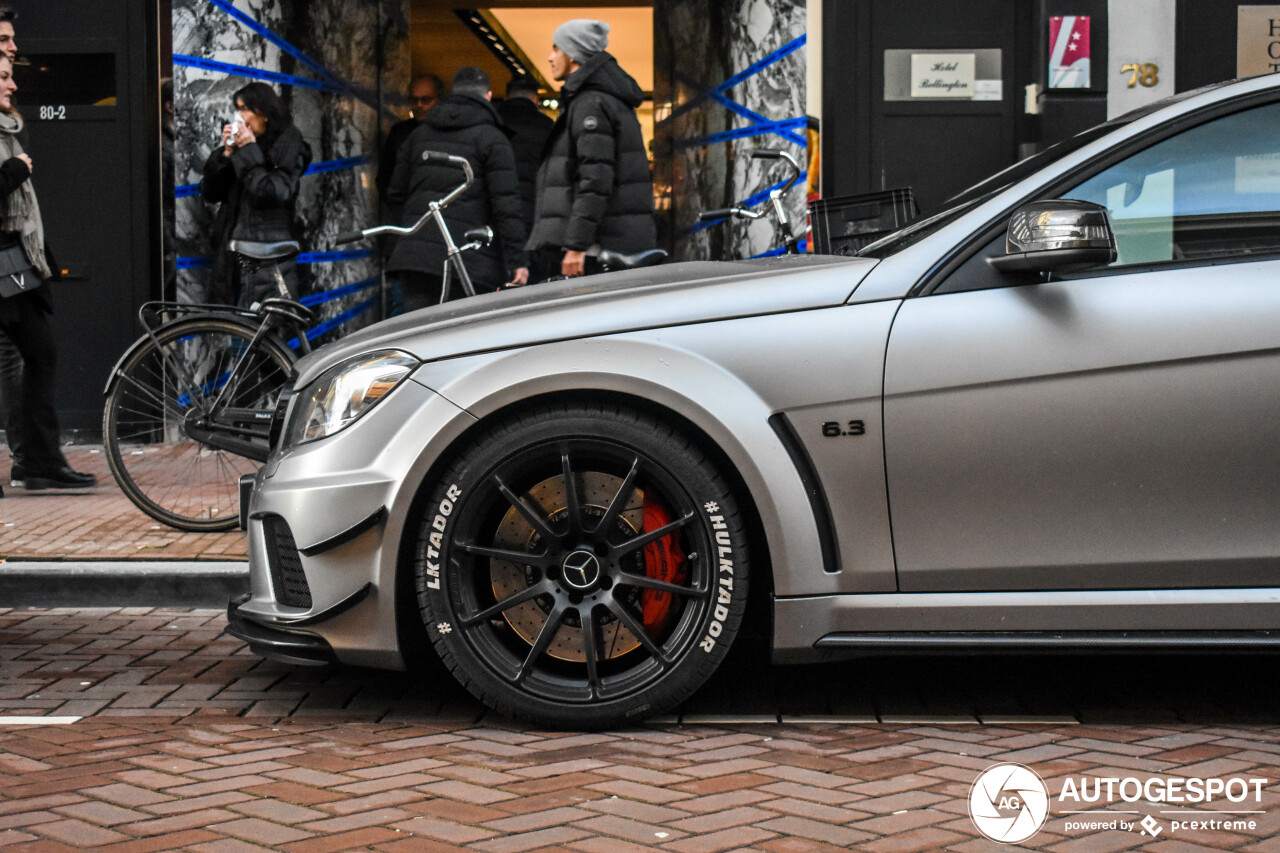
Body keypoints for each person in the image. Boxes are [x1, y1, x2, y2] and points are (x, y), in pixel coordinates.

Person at [0, 54, 95, 492]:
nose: (11, 85)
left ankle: (38, 459)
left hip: (15, 263)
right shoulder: (11, 149)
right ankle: (36, 459)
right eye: (2, 76)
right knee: (30, 357)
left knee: (39, 354)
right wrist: (14, 172)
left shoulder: (9, 132)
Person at [385, 66, 528, 310]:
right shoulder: (493, 139)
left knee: (417, 336)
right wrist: (518, 261)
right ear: (488, 96)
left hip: (415, 259)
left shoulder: (418, 136)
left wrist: (418, 234)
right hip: (469, 261)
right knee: (462, 339)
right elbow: (507, 205)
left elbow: (395, 194)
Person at [526, 19, 656, 279]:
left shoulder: (590, 103)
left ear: (573, 54)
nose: (550, 58)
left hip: (594, 252)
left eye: (556, 49)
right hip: (603, 244)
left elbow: (595, 179)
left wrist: (576, 246)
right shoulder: (600, 99)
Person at [199, 82, 312, 307]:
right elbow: (210, 192)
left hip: (268, 260)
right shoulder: (243, 149)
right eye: (237, 109)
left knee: (266, 332)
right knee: (239, 334)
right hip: (233, 255)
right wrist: (227, 154)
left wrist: (248, 150)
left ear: (264, 113)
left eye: (244, 109)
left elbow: (271, 191)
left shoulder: (288, 144)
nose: (238, 116)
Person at [495, 76, 553, 236]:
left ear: (506, 98)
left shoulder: (492, 122)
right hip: (532, 213)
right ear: (536, 99)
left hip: (494, 211)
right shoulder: (548, 127)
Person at [376, 73, 443, 198]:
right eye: (414, 100)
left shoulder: (451, 130)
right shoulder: (399, 132)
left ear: (439, 100)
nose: (419, 105)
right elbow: (385, 178)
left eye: (426, 100)